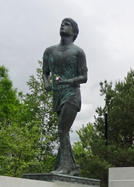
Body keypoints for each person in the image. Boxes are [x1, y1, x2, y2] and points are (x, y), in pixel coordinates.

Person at [42, 18, 88, 177]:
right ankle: (72, 166)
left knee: (62, 129)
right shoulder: (49, 51)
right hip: (58, 94)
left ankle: (63, 167)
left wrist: (68, 81)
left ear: (74, 32)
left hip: (72, 94)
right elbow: (45, 72)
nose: (63, 25)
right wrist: (47, 83)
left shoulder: (78, 52)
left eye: (67, 24)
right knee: (65, 132)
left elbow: (84, 77)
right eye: (62, 23)